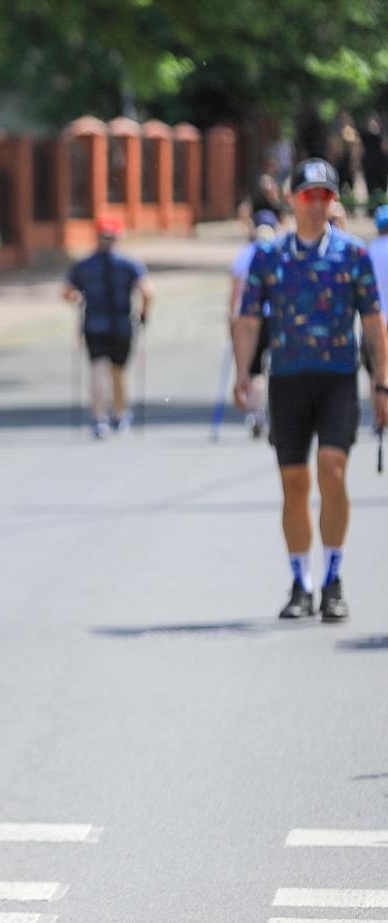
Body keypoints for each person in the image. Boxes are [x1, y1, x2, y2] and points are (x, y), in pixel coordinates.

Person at [234, 158, 388, 622]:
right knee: (294, 484)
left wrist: (382, 382)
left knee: (333, 471)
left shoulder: (353, 254)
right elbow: (248, 318)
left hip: (338, 377)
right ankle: (300, 581)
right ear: (292, 199)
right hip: (288, 380)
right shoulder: (269, 257)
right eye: (309, 195)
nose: (318, 204)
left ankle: (333, 577)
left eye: (326, 196)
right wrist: (244, 373)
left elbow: (374, 322)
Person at [62, 217, 153, 438]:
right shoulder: (129, 264)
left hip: (94, 324)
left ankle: (99, 419)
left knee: (99, 370)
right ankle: (120, 415)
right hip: (121, 325)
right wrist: (143, 314)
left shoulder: (84, 265)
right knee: (116, 372)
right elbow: (148, 292)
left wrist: (78, 298)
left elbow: (68, 292)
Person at [229, 209, 282, 439]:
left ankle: (258, 412)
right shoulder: (281, 253)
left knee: (255, 370)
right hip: (276, 318)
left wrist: (232, 321)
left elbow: (235, 294)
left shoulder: (244, 255)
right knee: (278, 368)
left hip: (250, 319)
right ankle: (279, 414)